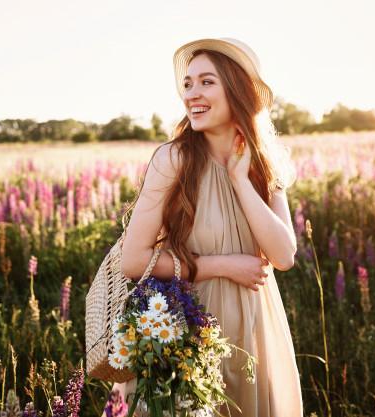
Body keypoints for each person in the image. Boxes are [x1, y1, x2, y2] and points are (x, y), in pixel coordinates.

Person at [106, 37, 303, 416]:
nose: (192, 93)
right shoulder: (174, 159)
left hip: (253, 333)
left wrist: (241, 180)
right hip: (185, 331)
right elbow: (134, 260)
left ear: (238, 89)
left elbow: (283, 255)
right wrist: (224, 265)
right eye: (188, 83)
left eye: (206, 81)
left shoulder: (265, 165)